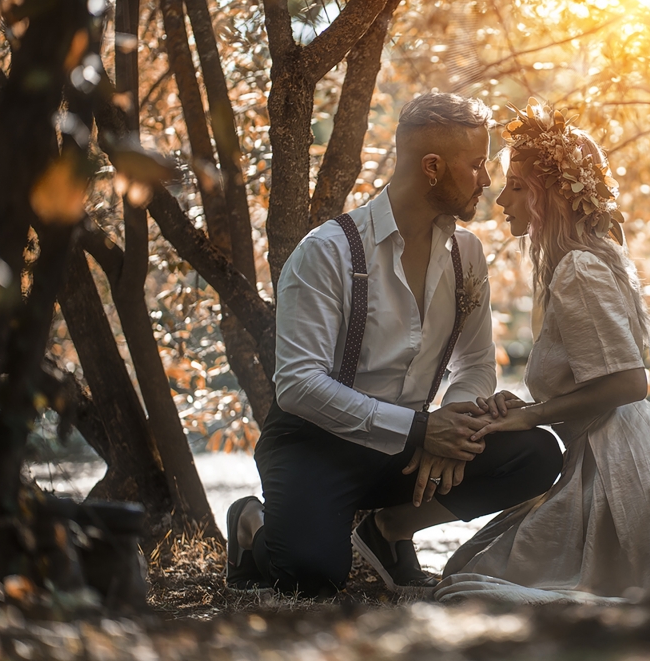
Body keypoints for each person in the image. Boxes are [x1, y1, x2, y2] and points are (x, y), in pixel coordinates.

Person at [226, 93, 563, 597]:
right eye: (476, 164)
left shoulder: (466, 254)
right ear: (432, 167)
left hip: (410, 444)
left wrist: (456, 425)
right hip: (317, 443)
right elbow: (298, 385)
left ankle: (390, 530)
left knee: (536, 454)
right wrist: (422, 428)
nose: (487, 180)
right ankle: (253, 526)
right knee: (312, 575)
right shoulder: (328, 251)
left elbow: (473, 361)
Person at [434, 100, 650, 604]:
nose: (501, 201)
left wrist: (531, 417)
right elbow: (592, 382)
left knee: (473, 583)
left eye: (516, 187)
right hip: (608, 455)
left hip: (621, 469)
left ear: (550, 198)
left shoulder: (578, 269)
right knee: (467, 569)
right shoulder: (586, 260)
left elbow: (628, 383)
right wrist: (525, 408)